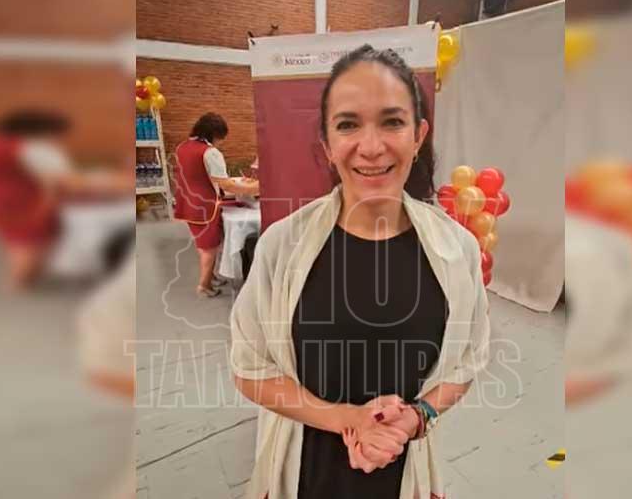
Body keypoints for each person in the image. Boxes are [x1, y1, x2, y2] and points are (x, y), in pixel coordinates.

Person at [230, 45, 491, 499]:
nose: (371, 147)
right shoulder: (281, 247)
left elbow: (468, 360)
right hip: (305, 474)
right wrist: (346, 419)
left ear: (418, 135)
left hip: (404, 471)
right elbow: (250, 369)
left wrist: (418, 417)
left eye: (392, 122)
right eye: (348, 124)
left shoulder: (457, 250)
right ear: (327, 144)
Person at [0, 109, 130, 291]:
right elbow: (67, 183)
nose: (58, 140)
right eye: (56, 134)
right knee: (29, 245)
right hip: (26, 204)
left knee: (19, 244)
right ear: (43, 131)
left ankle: (21, 283)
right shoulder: (34, 149)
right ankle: (17, 286)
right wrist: (113, 183)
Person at [173, 112, 259, 298]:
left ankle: (210, 277)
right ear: (214, 133)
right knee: (209, 248)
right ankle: (204, 286)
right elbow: (226, 184)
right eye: (221, 137)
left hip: (187, 203)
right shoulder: (210, 153)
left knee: (203, 244)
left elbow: (197, 175)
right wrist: (256, 188)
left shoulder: (183, 147)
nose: (221, 142)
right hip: (204, 207)